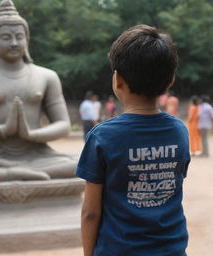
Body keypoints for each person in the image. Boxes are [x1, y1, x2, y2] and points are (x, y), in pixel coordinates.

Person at [76, 25, 190, 256]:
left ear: (117, 81)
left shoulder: (102, 136)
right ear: (170, 80)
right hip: (171, 250)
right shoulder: (179, 131)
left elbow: (90, 212)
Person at [0, 0, 76, 183]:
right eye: (5, 37)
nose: (13, 43)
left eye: (19, 37)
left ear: (26, 39)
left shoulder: (47, 76)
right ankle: (9, 175)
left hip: (39, 157)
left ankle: (11, 175)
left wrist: (31, 134)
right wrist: (4, 130)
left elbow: (63, 125)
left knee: (81, 164)